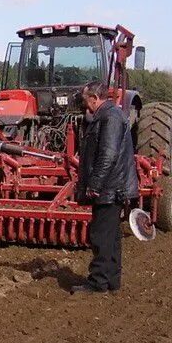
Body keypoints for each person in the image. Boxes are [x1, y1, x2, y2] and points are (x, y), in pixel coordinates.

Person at [73, 81, 139, 294]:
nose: (85, 105)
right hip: (112, 187)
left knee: (100, 235)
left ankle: (98, 282)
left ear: (94, 98)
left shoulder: (109, 117)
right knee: (110, 236)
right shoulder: (110, 115)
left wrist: (94, 184)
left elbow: (108, 155)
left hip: (109, 188)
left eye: (86, 101)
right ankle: (111, 280)